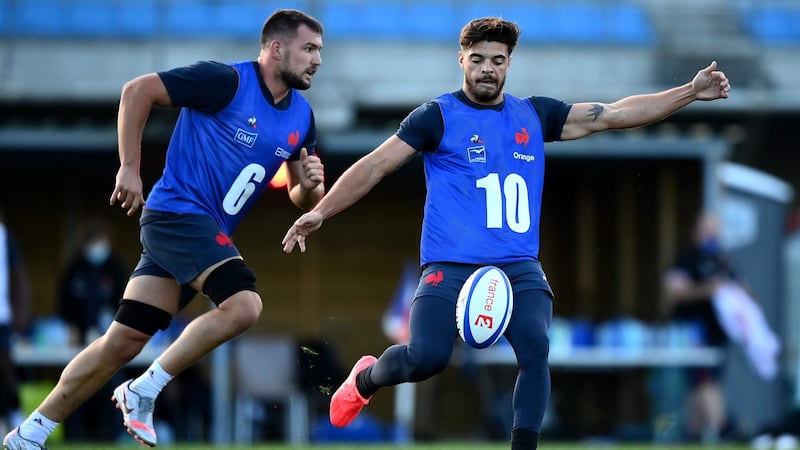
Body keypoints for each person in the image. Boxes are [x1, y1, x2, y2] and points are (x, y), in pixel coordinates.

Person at [282, 17, 731, 450]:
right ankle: (366, 378)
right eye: (477, 59)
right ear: (461, 59)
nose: (487, 69)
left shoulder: (534, 115)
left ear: (509, 63)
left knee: (536, 349)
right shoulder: (436, 117)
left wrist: (690, 92)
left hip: (518, 268)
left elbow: (612, 114)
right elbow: (376, 164)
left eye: (497, 60)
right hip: (450, 266)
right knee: (428, 358)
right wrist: (321, 211)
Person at [3, 8, 325, 450]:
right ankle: (142, 390)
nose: (317, 60)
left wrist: (308, 189)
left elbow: (299, 196)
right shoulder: (225, 81)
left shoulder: (303, 118)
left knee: (122, 342)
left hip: (200, 233)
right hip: (177, 216)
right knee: (245, 304)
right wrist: (130, 170)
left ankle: (27, 434)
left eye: (319, 51)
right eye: (309, 49)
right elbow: (137, 92)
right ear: (276, 48)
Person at [0, 207, 31, 438]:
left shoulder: (4, 237)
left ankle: (13, 414)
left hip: (2, 317)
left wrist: (20, 315)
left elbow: (18, 275)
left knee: (5, 370)